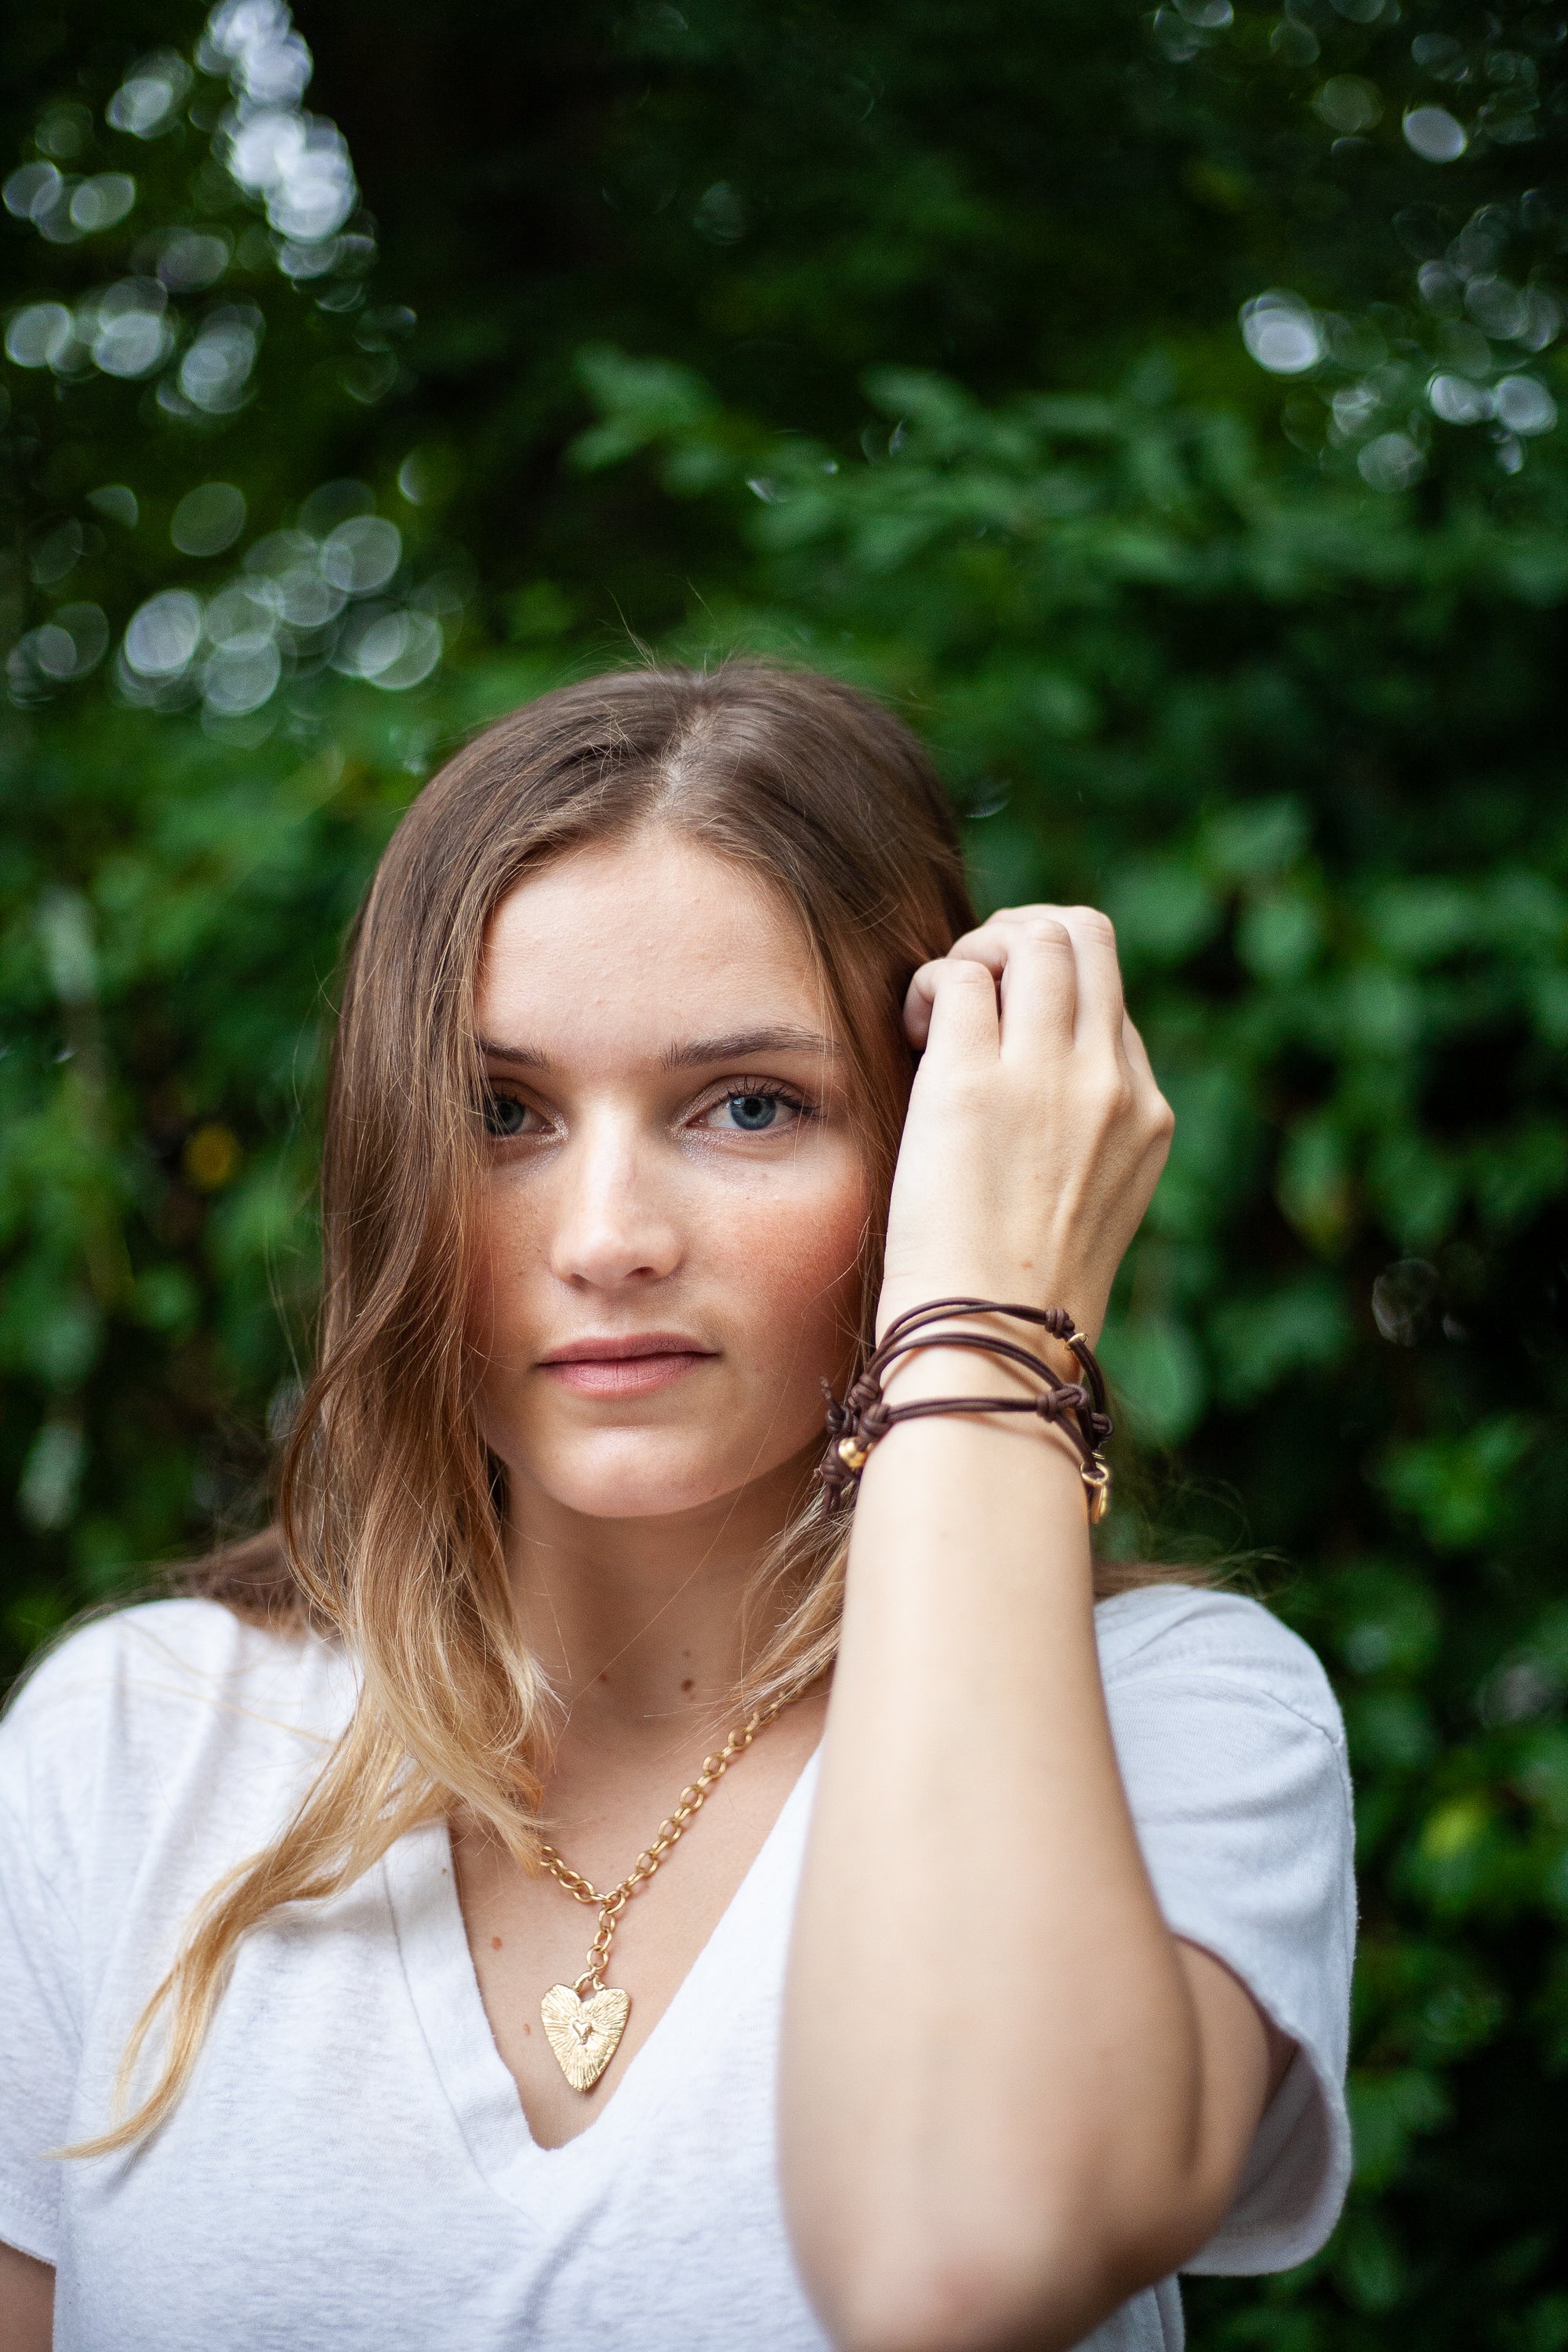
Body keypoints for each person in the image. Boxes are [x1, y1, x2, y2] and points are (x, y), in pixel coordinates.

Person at [0, 665, 1353, 2352]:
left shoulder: (1180, 1719)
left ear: (928, 1149)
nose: (609, 1236)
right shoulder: (130, 1746)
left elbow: (965, 2257)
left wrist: (988, 1325)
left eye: (749, 1106)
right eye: (503, 1115)